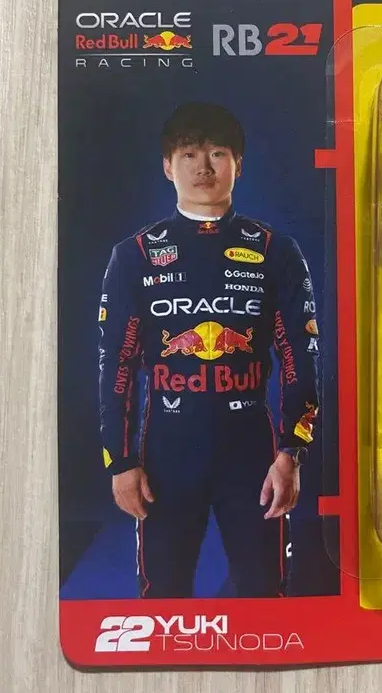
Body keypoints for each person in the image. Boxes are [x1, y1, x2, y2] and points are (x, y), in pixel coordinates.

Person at [97, 101, 320, 598]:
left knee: (264, 592)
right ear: (167, 166)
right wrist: (121, 461)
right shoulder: (134, 255)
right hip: (165, 456)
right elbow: (116, 366)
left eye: (217, 153)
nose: (203, 167)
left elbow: (300, 358)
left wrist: (292, 452)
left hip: (253, 455)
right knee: (163, 594)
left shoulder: (276, 251)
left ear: (238, 164)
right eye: (189, 154)